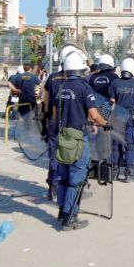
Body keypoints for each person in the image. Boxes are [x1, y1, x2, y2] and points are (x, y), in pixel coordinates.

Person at [53, 49, 109, 231]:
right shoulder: (84, 87)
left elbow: (56, 114)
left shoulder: (61, 88)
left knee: (63, 175)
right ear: (81, 69)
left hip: (62, 136)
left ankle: (62, 212)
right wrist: (105, 124)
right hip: (78, 137)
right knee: (76, 178)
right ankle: (70, 218)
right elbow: (94, 113)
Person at [44, 44, 80, 201]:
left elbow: (46, 101)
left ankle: (53, 186)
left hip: (54, 121)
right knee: (73, 154)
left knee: (54, 156)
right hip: (72, 123)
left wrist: (46, 118)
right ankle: (71, 188)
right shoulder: (79, 80)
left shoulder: (52, 77)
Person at [109, 58, 134, 182]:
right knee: (130, 144)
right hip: (131, 118)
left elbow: (111, 103)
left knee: (115, 144)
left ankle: (114, 169)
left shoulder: (114, 83)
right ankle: (128, 171)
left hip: (117, 117)